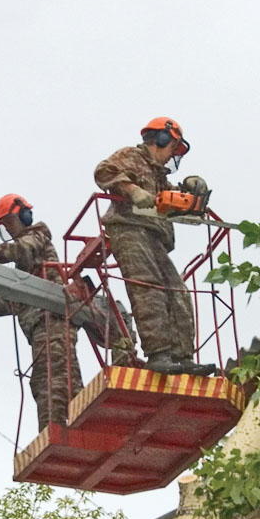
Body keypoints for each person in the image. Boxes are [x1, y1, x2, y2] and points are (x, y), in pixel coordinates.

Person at [94, 117, 215, 376]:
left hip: (153, 234)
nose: (172, 155)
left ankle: (182, 357)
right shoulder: (131, 156)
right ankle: (159, 354)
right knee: (148, 288)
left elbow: (171, 199)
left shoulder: (158, 176)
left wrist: (191, 191)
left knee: (177, 291)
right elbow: (103, 171)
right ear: (161, 139)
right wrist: (132, 190)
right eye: (173, 147)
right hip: (128, 228)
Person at [0, 194, 83, 431]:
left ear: (24, 216)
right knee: (48, 380)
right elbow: (12, 299)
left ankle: (58, 433)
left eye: (9, 223)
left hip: (52, 320)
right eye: (3, 228)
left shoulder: (38, 236)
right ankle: (62, 431)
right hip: (40, 327)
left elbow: (18, 250)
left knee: (54, 379)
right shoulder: (26, 268)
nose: (9, 231)